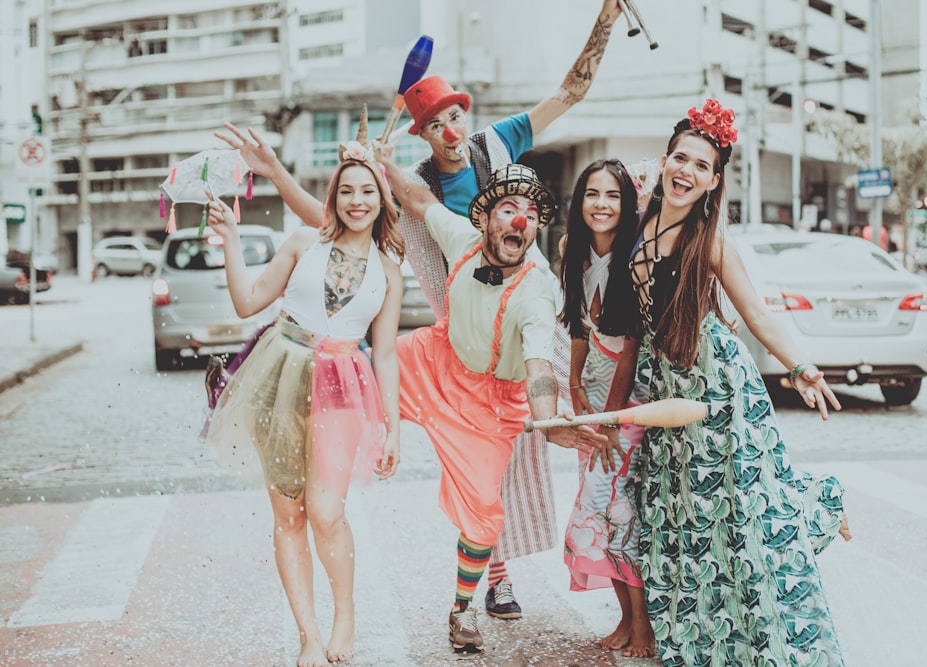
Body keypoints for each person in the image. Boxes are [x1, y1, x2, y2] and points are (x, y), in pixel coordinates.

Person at [215, 0, 626, 621]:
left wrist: (605, 20)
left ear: (468, 114)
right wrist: (281, 171)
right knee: (394, 415)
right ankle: (325, 509)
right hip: (454, 334)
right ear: (424, 136)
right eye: (437, 124)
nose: (453, 130)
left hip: (518, 319)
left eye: (456, 115)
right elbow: (328, 221)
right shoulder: (413, 187)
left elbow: (570, 91)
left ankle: (499, 566)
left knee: (516, 449)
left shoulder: (499, 140)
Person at [605, 99, 853, 665]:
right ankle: (706, 647)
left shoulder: (712, 241)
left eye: (700, 166)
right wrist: (613, 416)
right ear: (664, 160)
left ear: (714, 182)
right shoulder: (637, 228)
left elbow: (760, 317)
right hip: (669, 398)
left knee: (747, 519)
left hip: (720, 392)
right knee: (685, 525)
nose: (685, 172)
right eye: (679, 158)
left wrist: (801, 366)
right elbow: (630, 339)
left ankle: (821, 511)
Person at [381, 158, 608, 655]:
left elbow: (540, 368)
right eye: (509, 208)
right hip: (433, 363)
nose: (521, 220)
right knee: (353, 372)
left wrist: (547, 423)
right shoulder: (461, 238)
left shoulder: (535, 295)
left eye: (530, 211)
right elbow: (419, 200)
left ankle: (460, 611)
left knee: (484, 514)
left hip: (486, 411)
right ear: (483, 219)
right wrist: (381, 162)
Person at [202, 113, 403, 667]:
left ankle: (346, 614)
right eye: (346, 191)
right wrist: (232, 240)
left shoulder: (389, 268)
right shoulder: (302, 242)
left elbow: (384, 353)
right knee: (287, 512)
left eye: (367, 191)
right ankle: (308, 634)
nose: (356, 201)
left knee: (325, 511)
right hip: (278, 377)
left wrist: (394, 427)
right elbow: (247, 302)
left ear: (382, 200)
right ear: (332, 196)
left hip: (343, 385)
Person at [556, 159, 656, 657]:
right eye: (592, 194)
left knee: (611, 510)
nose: (601, 204)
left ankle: (644, 625)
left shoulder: (635, 258)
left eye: (613, 195)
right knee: (606, 513)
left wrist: (612, 419)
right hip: (592, 399)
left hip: (625, 402)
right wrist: (573, 386)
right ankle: (624, 617)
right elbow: (578, 326)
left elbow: (632, 347)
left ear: (628, 203)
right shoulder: (571, 251)